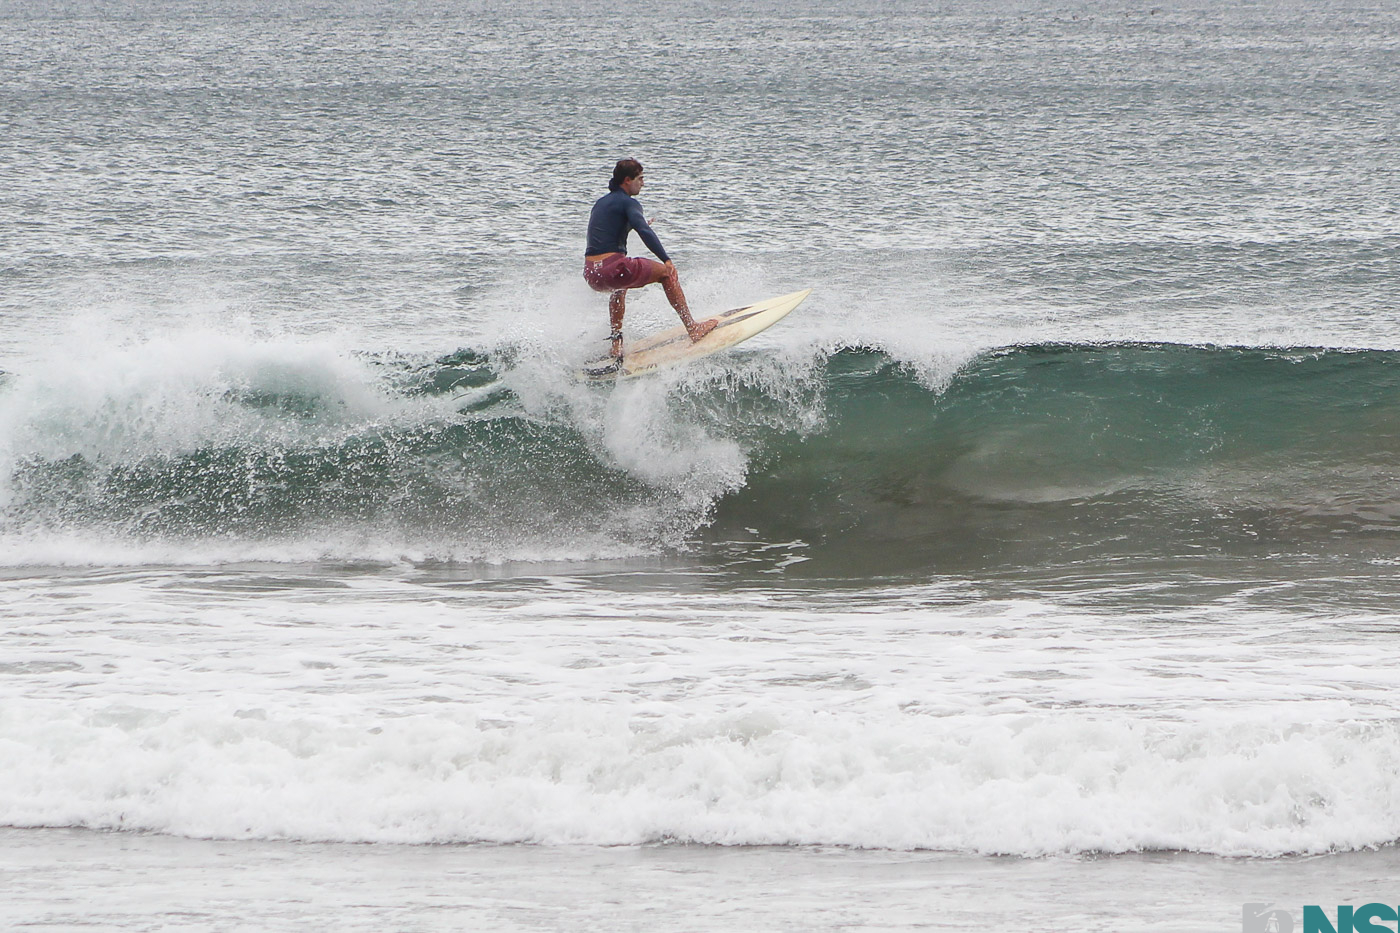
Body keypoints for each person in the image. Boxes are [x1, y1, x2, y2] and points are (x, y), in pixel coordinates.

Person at [583, 159, 717, 362]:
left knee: (620, 287)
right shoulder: (629, 203)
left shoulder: (600, 203)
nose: (643, 183)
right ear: (627, 180)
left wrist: (634, 224)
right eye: (640, 178)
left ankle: (616, 344)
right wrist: (666, 260)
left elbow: (606, 233)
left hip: (592, 274)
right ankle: (693, 328)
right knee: (665, 274)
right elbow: (644, 231)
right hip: (614, 269)